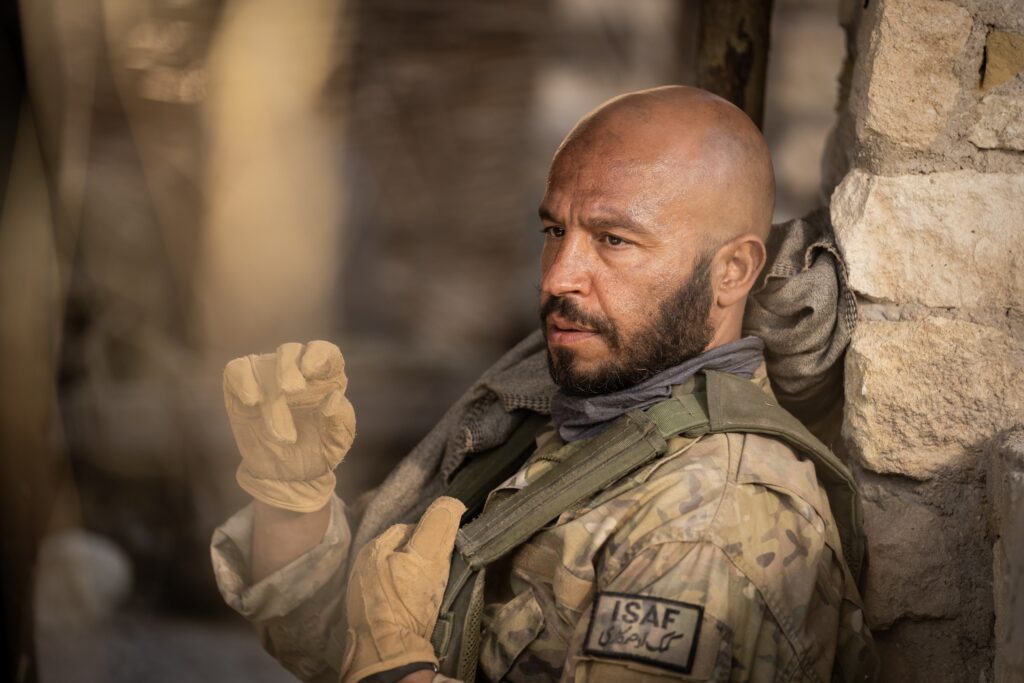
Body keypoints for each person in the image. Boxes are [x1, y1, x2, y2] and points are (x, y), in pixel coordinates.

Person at [210, 86, 878, 683]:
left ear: (731, 271)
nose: (559, 275)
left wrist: (399, 670)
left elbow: (376, 655)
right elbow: (337, 640)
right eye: (555, 230)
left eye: (613, 239)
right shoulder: (557, 418)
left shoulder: (708, 522)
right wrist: (291, 495)